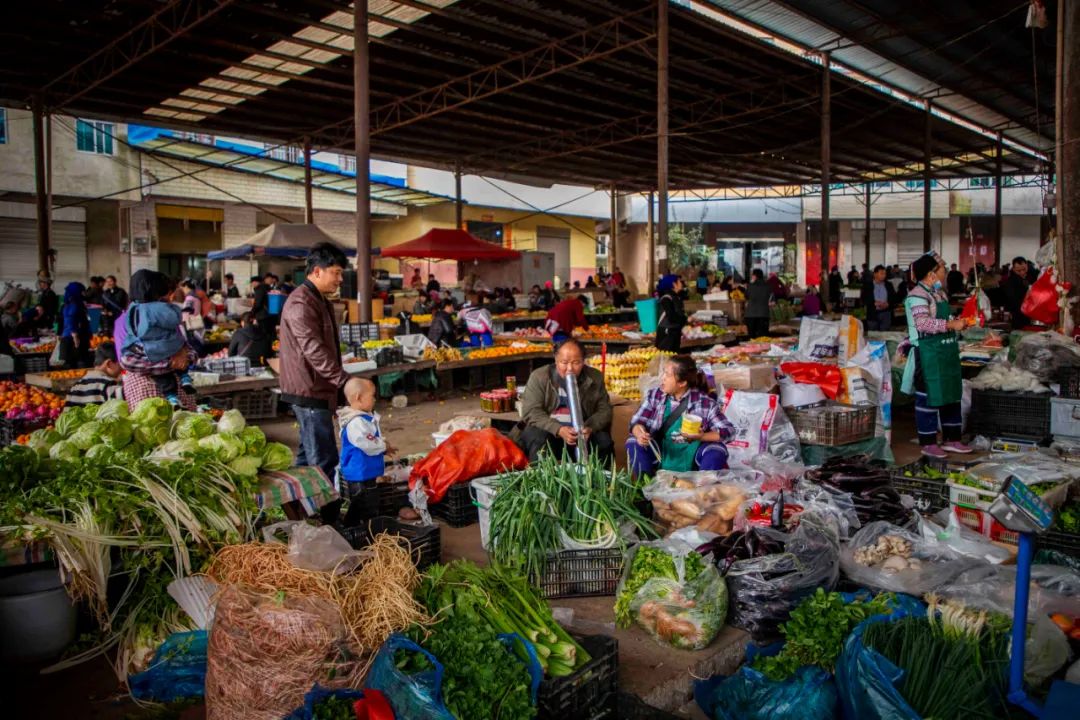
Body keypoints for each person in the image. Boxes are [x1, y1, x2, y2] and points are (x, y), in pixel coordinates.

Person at [279, 242, 352, 486]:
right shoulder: (302, 303)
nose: (340, 279)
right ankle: (325, 516)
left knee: (306, 455)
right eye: (336, 272)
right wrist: (344, 381)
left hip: (316, 387)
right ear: (317, 271)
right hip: (308, 389)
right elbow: (313, 349)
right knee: (323, 459)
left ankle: (297, 511)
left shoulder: (318, 299)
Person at [901, 253, 971, 459]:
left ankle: (952, 439)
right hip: (927, 353)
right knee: (928, 396)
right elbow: (922, 324)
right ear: (932, 274)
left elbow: (943, 316)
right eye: (942, 268)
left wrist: (960, 321)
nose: (946, 271)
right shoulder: (917, 295)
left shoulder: (938, 293)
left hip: (945, 351)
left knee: (950, 394)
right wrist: (951, 324)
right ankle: (928, 442)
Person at [626, 355, 736, 475]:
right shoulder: (655, 396)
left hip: (692, 457)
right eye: (663, 373)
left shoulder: (704, 403)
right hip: (661, 453)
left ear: (682, 382)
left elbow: (729, 432)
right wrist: (639, 433)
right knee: (633, 442)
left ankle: (702, 489)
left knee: (717, 451)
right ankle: (644, 486)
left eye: (667, 375)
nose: (662, 378)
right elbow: (636, 422)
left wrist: (701, 436)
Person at [517, 339, 614, 463]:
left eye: (576, 362)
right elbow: (531, 411)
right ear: (556, 360)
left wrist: (590, 427)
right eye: (564, 362)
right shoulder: (539, 377)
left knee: (604, 441)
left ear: (584, 361)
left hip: (582, 433)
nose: (570, 368)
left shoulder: (595, 377)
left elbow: (604, 410)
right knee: (538, 438)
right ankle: (543, 479)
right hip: (550, 432)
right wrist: (558, 429)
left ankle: (599, 480)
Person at [119, 270, 198, 411]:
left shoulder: (163, 314)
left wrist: (185, 356)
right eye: (166, 291)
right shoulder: (127, 320)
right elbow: (127, 361)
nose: (170, 296)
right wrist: (170, 363)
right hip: (146, 392)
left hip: (177, 390)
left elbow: (186, 347)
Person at [337, 377, 397, 526]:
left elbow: (369, 440)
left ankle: (354, 528)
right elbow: (366, 442)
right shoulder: (356, 422)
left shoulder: (362, 418)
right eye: (372, 395)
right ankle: (359, 530)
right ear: (358, 398)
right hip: (360, 474)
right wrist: (383, 446)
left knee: (362, 504)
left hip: (365, 472)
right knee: (365, 505)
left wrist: (382, 448)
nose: (375, 399)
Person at [65, 343, 123, 407]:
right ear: (109, 364)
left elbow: (66, 414)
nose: (122, 367)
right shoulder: (109, 385)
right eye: (121, 363)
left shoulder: (75, 387)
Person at [59, 282, 92, 369]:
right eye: (82, 292)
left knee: (72, 364)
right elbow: (71, 319)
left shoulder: (68, 303)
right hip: (72, 339)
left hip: (68, 337)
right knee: (78, 364)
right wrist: (75, 336)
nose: (83, 294)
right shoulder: (74, 304)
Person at [655, 274, 687, 352]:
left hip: (674, 332)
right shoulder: (666, 298)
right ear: (674, 284)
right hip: (667, 333)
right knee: (665, 358)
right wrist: (686, 319)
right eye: (679, 282)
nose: (681, 283)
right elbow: (671, 316)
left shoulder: (676, 297)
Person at [861, 265, 896, 331]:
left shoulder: (889, 285)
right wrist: (874, 303)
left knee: (885, 335)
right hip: (873, 314)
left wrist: (888, 304)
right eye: (881, 273)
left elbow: (894, 297)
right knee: (873, 335)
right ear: (875, 274)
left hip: (886, 314)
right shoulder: (867, 285)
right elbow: (863, 299)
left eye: (885, 274)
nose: (884, 275)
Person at [1003, 256, 1031, 328]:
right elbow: (1012, 299)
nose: (1022, 272)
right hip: (1016, 314)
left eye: (1024, 269)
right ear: (1013, 269)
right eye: (1018, 271)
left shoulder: (1031, 276)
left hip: (1028, 313)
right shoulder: (1011, 281)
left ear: (1027, 266)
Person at [744, 269, 772, 338]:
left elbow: (746, 297)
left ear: (754, 276)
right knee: (763, 338)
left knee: (751, 337)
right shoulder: (768, 286)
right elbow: (771, 300)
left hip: (750, 315)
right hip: (763, 314)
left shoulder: (749, 286)